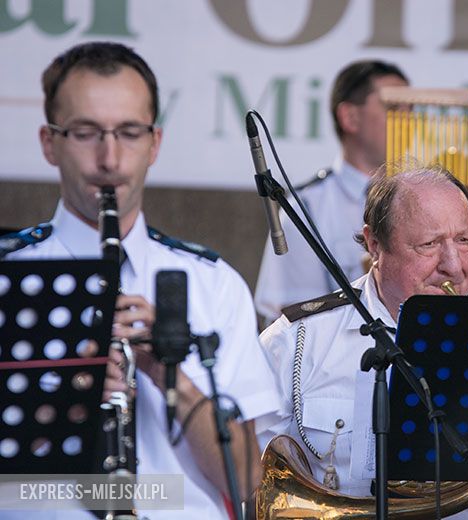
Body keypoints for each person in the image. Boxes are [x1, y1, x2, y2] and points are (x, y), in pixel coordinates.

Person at [0, 42, 281, 518]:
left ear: (155, 143)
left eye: (130, 133)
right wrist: (70, 398)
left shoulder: (213, 284)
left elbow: (250, 481)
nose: (110, 159)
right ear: (50, 142)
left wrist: (169, 375)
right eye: (86, 133)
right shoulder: (9, 276)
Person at [257, 166, 468, 510]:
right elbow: (238, 476)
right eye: (429, 244)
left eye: (464, 241)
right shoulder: (295, 340)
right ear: (375, 245)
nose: (454, 265)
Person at [253, 59, 409, 326]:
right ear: (349, 117)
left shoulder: (422, 200)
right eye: (393, 108)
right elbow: (294, 320)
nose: (408, 119)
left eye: (412, 109)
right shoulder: (307, 206)